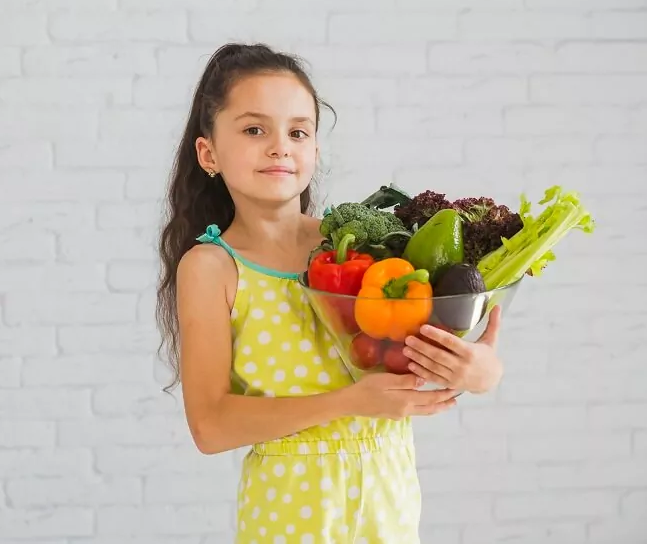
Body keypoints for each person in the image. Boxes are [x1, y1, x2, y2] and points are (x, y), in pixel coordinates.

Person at [155, 42, 504, 543]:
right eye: (255, 129)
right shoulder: (212, 268)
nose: (280, 146)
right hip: (289, 515)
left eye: (298, 131)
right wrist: (349, 401)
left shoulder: (366, 249)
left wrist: (479, 371)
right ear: (209, 154)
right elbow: (210, 426)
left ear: (315, 151)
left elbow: (427, 351)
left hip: (388, 505)